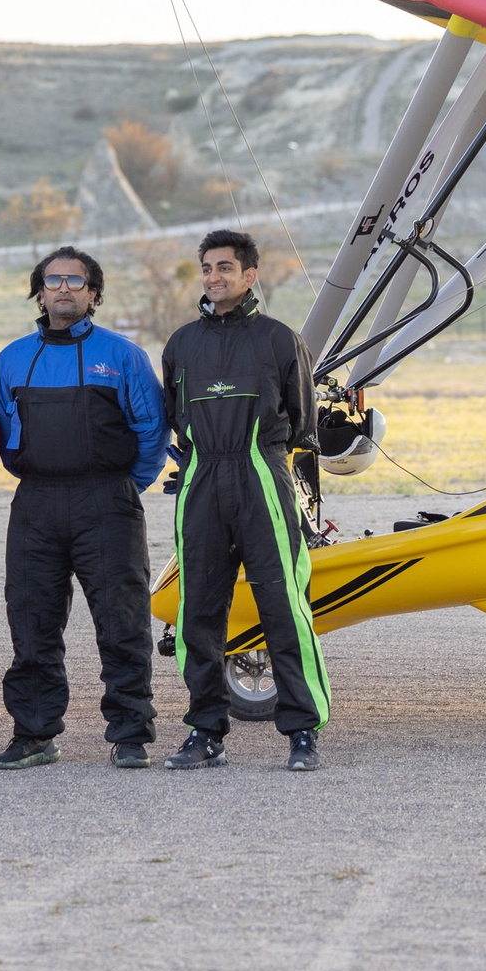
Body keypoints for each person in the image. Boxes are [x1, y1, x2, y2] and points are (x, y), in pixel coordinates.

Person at [0, 247, 170, 770]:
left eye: (75, 280)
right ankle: (35, 734)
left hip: (106, 501)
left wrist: (121, 487)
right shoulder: (13, 358)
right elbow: (2, 429)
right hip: (36, 503)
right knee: (32, 622)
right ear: (38, 291)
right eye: (53, 280)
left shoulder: (124, 356)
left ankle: (131, 733)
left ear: (94, 293)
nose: (63, 288)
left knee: (122, 621)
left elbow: (151, 432)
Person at [159, 228, 329, 772]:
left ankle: (302, 732)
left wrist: (261, 457)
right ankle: (205, 732)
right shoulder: (182, 343)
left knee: (284, 607)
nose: (214, 277)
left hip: (261, 475)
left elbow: (302, 422)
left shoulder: (280, 339)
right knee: (198, 613)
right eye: (207, 268)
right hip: (202, 478)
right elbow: (173, 415)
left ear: (249, 275)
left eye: (225, 268)